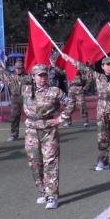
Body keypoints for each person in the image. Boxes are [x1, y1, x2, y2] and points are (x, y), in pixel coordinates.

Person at [62, 55, 110, 171]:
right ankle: (103, 162)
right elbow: (83, 67)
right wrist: (69, 59)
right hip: (101, 110)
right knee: (102, 137)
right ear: (102, 66)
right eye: (107, 65)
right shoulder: (98, 76)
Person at [22, 64, 68, 209]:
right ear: (33, 77)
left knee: (50, 162)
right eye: (40, 75)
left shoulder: (55, 91)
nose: (43, 78)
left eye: (45, 75)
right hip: (31, 131)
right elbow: (8, 78)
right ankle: (43, 192)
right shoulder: (26, 90)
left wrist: (61, 119)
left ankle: (52, 196)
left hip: (49, 131)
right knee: (35, 163)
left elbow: (70, 103)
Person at [0, 60, 30, 141]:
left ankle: (31, 134)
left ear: (23, 68)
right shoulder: (11, 77)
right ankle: (14, 134)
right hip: (15, 98)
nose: (18, 70)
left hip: (26, 98)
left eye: (20, 68)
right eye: (17, 68)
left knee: (30, 116)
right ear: (15, 68)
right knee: (14, 117)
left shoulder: (28, 77)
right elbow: (0, 75)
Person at [61, 63, 90, 128]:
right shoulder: (68, 68)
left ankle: (85, 121)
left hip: (79, 88)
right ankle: (68, 121)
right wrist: (54, 65)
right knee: (70, 106)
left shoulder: (81, 68)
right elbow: (61, 72)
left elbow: (88, 78)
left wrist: (85, 88)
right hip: (71, 89)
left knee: (82, 105)